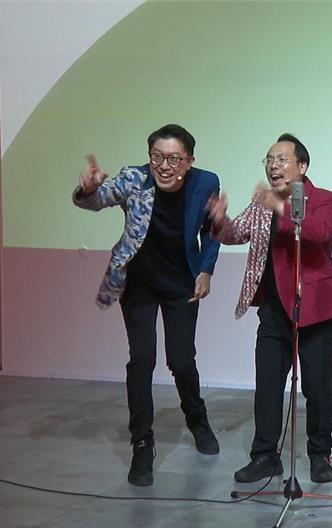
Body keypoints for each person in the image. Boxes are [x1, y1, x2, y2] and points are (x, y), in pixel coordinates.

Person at [73, 124, 222, 487]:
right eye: (157, 157)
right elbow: (97, 199)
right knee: (141, 360)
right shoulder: (134, 178)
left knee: (181, 361)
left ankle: (197, 419)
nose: (164, 166)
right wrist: (89, 188)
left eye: (174, 159)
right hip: (138, 283)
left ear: (189, 160)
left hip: (181, 284)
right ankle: (142, 444)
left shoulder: (206, 182)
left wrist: (206, 270)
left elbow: (212, 230)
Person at [208, 133, 332, 485]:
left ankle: (319, 454)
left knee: (317, 387)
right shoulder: (262, 203)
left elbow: (318, 232)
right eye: (269, 160)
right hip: (272, 308)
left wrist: (280, 205)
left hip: (315, 307)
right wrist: (219, 221)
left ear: (302, 166)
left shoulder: (325, 199)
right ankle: (265, 456)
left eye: (281, 159)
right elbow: (235, 234)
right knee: (267, 384)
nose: (273, 166)